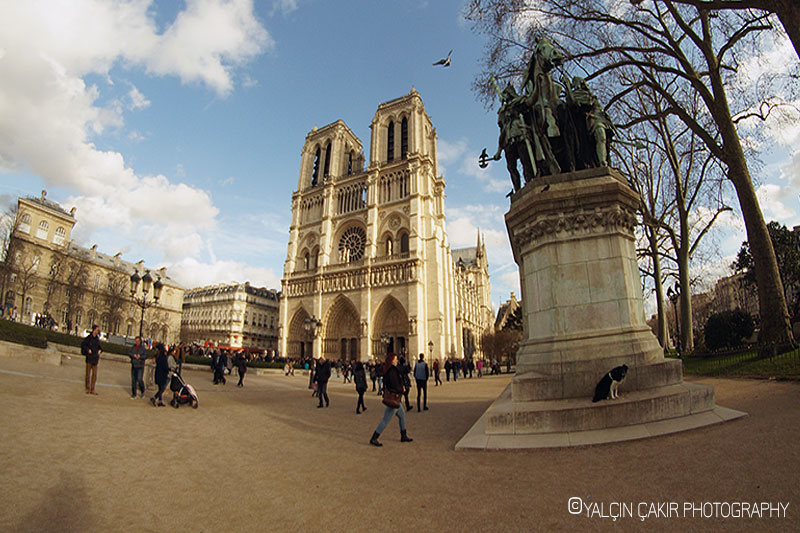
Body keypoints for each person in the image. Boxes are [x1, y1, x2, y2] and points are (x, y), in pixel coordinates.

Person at [369, 353, 413, 447]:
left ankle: (403, 435)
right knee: (385, 419)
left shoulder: (390, 369)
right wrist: (402, 389)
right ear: (392, 360)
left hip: (396, 398)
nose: (397, 360)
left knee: (402, 415)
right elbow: (394, 384)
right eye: (396, 359)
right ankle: (374, 438)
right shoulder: (392, 371)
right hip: (394, 398)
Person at [80, 325, 102, 395]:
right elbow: (83, 345)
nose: (97, 331)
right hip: (89, 358)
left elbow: (100, 347)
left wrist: (100, 350)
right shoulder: (89, 338)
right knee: (88, 374)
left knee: (94, 375)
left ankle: (93, 389)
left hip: (95, 359)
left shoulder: (97, 339)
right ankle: (87, 388)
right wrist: (87, 350)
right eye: (97, 330)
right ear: (94, 330)